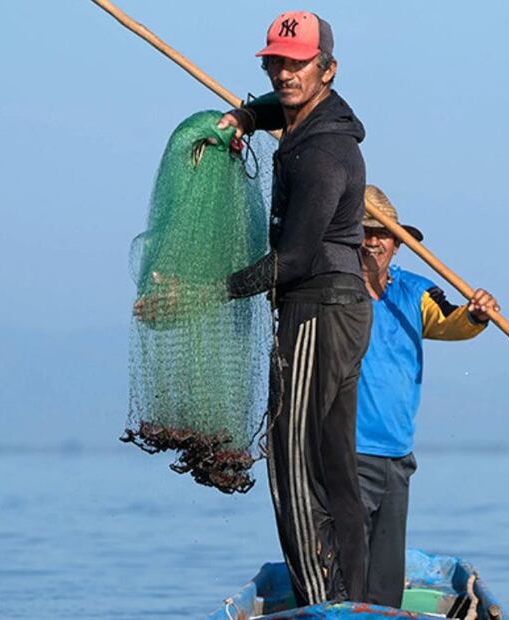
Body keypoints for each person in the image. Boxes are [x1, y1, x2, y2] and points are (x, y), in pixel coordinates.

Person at [218, 11, 371, 606]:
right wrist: (246, 116)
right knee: (335, 468)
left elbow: (294, 259)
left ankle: (320, 604)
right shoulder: (313, 124)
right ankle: (357, 603)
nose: (284, 73)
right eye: (275, 62)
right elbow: (278, 107)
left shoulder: (325, 154)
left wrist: (211, 293)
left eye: (296, 63)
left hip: (316, 309)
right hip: (342, 310)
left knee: (289, 467)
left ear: (327, 69)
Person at [355, 185, 498, 608]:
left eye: (383, 233)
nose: (373, 241)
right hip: (345, 452)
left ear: (398, 244)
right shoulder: (332, 292)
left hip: (397, 454)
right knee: (344, 574)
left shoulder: (415, 292)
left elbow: (453, 321)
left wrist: (476, 313)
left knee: (384, 580)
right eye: (364, 231)